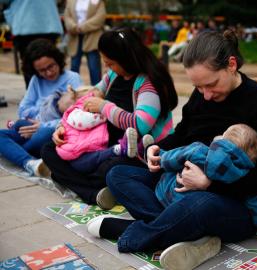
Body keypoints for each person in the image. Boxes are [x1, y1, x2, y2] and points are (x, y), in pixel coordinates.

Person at [85, 30, 257, 270]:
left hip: (231, 200)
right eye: (198, 88)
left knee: (200, 205)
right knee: (118, 175)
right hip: (180, 183)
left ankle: (132, 231)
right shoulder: (201, 96)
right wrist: (158, 149)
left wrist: (209, 183)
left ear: (231, 65)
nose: (206, 95)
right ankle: (187, 233)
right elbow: (181, 134)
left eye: (211, 85)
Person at [41, 27, 178, 209]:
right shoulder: (114, 75)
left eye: (111, 63)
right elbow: (88, 99)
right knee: (49, 150)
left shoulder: (148, 83)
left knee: (109, 170)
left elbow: (141, 125)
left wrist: (105, 107)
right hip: (101, 142)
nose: (107, 67)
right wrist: (63, 126)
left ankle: (73, 181)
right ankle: (93, 191)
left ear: (127, 60)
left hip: (134, 151)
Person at [152, 124, 257, 239]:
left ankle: (162, 224)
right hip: (194, 212)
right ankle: (186, 232)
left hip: (166, 194)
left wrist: (160, 157)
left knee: (168, 174)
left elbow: (173, 158)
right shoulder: (244, 177)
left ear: (223, 138)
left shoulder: (199, 151)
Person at [0, 38, 81, 175]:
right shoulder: (36, 80)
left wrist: (44, 124)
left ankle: (15, 152)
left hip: (54, 131)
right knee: (10, 129)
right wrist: (43, 110)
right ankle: (30, 162)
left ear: (57, 60)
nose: (48, 73)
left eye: (51, 66)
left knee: (44, 133)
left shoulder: (72, 78)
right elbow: (23, 109)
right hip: (30, 128)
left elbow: (77, 115)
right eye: (42, 70)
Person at [2, 0, 64, 88]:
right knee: (50, 64)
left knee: (30, 68)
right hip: (49, 22)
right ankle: (52, 93)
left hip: (25, 24)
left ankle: (34, 95)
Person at [64, 0, 106, 86]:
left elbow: (100, 17)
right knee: (74, 66)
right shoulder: (70, 1)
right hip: (75, 37)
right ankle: (73, 90)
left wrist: (82, 27)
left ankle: (97, 91)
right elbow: (67, 17)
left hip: (92, 38)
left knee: (94, 67)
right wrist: (74, 27)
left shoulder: (98, 1)